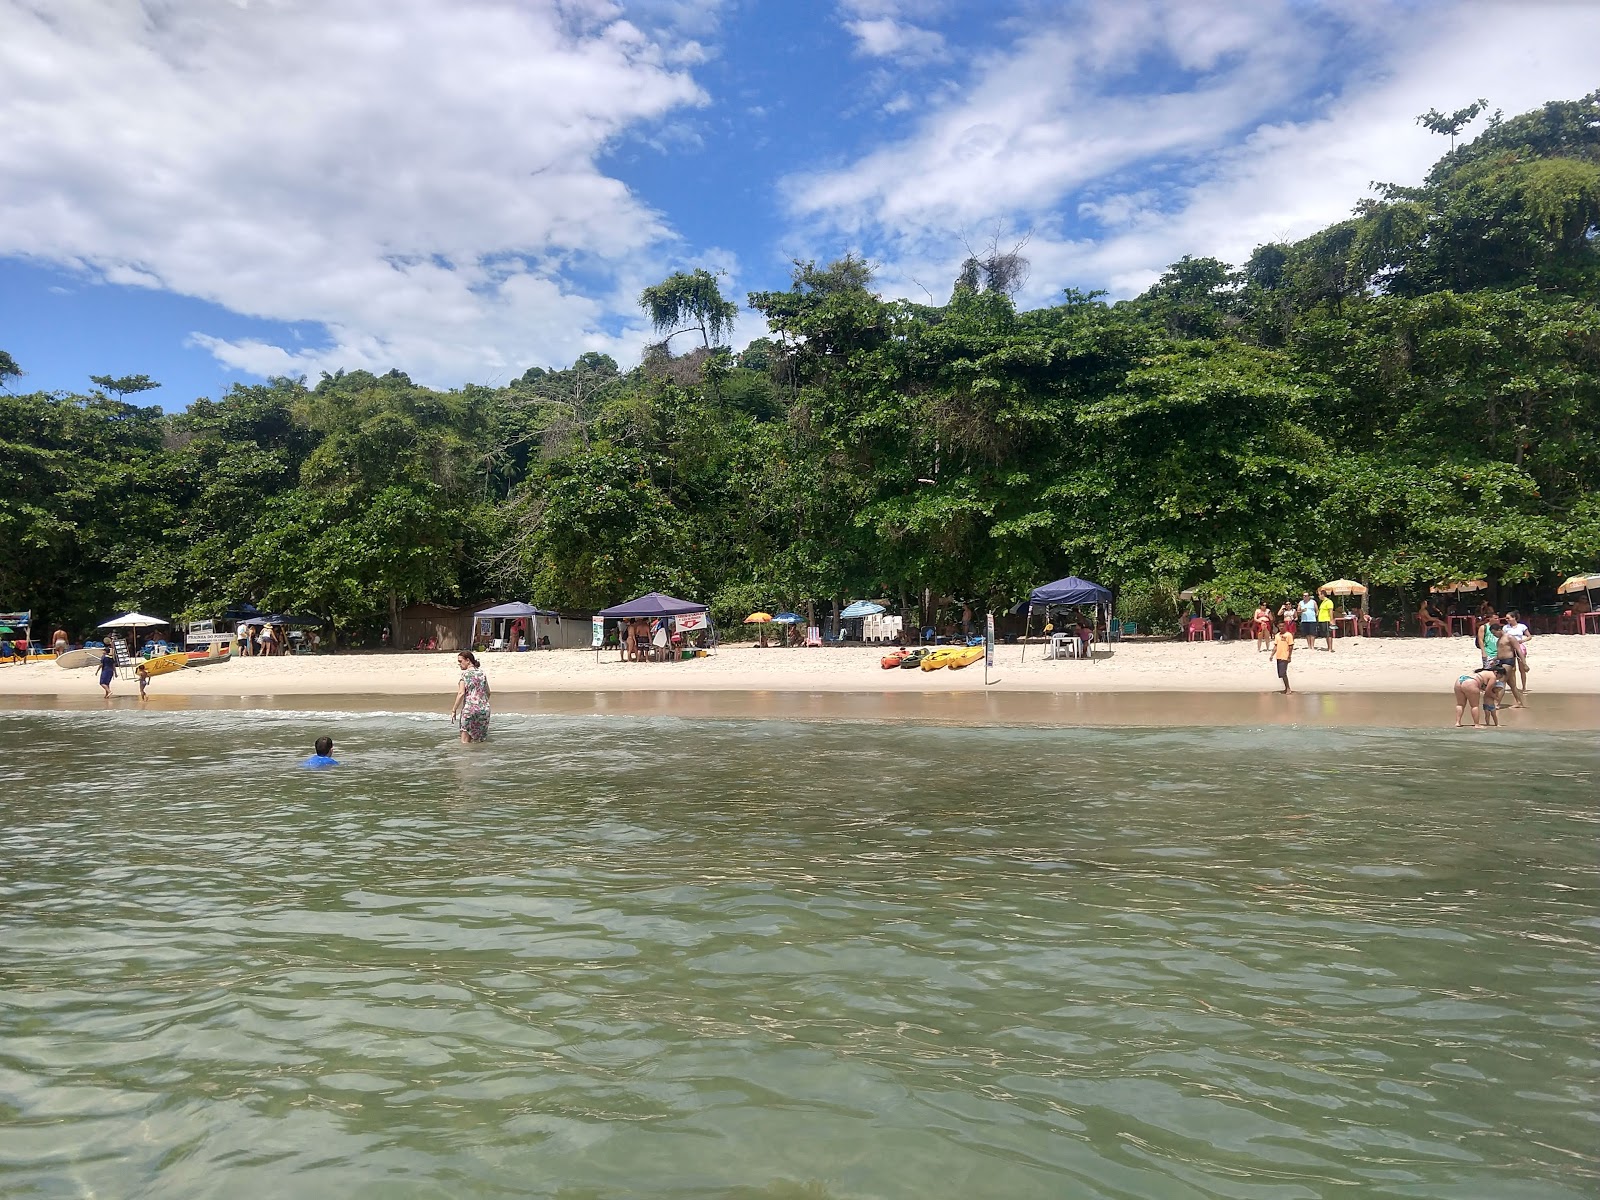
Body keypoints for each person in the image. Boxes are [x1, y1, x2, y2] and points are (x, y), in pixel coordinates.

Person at [451, 651, 491, 743]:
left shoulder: (465, 675)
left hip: (470, 710)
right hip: (484, 709)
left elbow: (461, 693)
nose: (459, 664)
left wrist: (454, 710)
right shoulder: (482, 674)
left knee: (465, 742)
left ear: (468, 660)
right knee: (480, 741)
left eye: (460, 661)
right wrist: (482, 703)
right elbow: (488, 692)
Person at [1494, 621, 1525, 708]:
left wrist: (1524, 663)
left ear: (1499, 630)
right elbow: (1501, 652)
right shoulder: (1500, 639)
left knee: (1501, 682)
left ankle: (1497, 703)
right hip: (1501, 661)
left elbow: (1518, 650)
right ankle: (1519, 702)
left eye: (1494, 633)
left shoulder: (1509, 637)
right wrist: (1495, 659)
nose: (1494, 635)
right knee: (1512, 684)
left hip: (1508, 662)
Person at [1503, 609, 1532, 691]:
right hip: (1510, 648)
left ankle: (1524, 687)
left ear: (1514, 618)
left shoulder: (1522, 626)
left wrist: (1523, 640)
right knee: (1512, 669)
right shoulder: (1505, 628)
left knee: (1521, 668)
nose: (1507, 620)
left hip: (1519, 646)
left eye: (1508, 618)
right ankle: (1514, 687)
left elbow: (1529, 636)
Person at [1272, 620, 1295, 695]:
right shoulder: (1277, 635)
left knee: (1283, 673)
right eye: (1280, 626)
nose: (1281, 627)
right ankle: (1286, 688)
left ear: (1285, 626)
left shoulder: (1288, 635)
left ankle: (1288, 688)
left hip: (1285, 656)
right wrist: (1272, 655)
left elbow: (1291, 646)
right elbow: (1276, 646)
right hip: (1278, 656)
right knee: (1281, 674)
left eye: (1283, 626)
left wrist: (1289, 656)